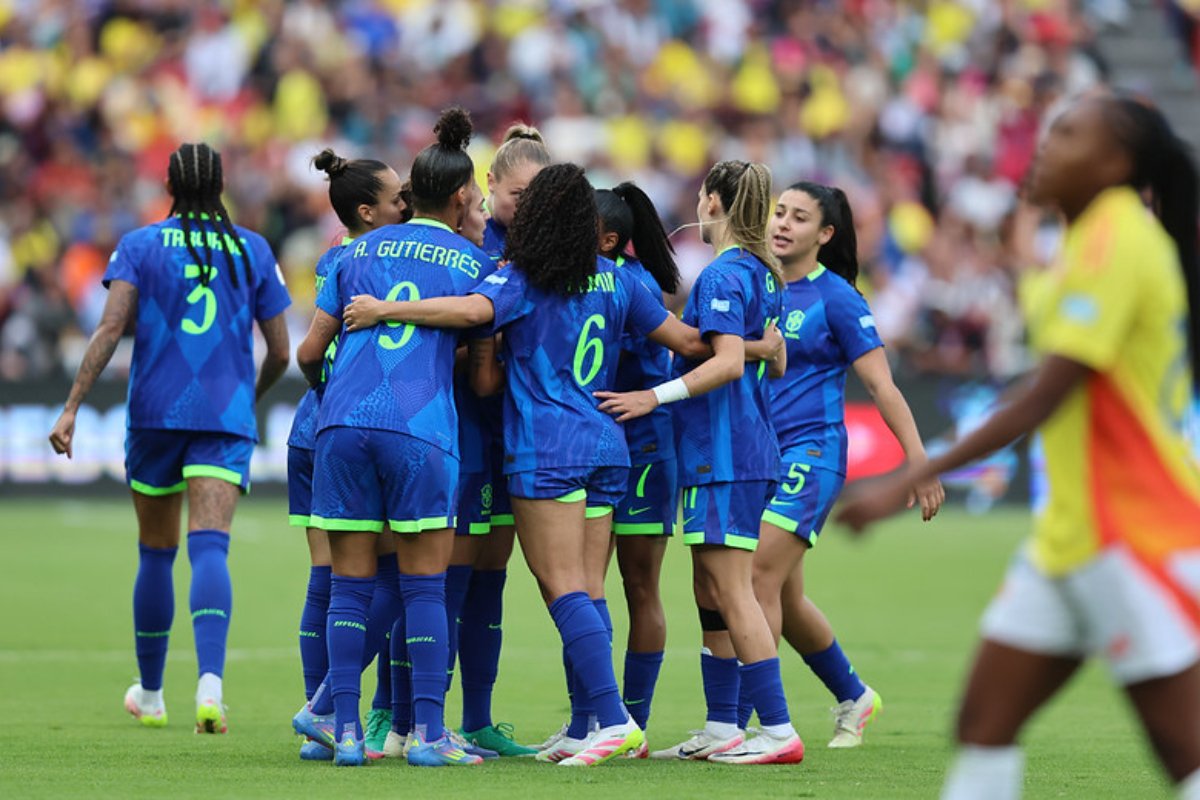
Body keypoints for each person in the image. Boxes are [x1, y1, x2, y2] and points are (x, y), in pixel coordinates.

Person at [837, 95, 1200, 799]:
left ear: (1116, 163)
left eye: (1067, 135)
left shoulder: (1118, 239)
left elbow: (1046, 393)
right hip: (1071, 534)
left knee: (1183, 750)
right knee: (984, 723)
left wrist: (909, 476)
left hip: (1128, 531)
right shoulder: (1085, 240)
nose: (1044, 146)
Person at [343, 162, 713, 765]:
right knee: (589, 589)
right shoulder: (620, 282)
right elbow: (693, 343)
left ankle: (614, 719)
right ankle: (596, 721)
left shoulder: (521, 279)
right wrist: (756, 347)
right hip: (607, 445)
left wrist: (388, 310)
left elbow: (470, 322)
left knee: (559, 584)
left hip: (547, 450)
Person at [48, 142, 292, 735]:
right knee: (211, 546)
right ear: (221, 184)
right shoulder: (251, 249)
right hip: (223, 417)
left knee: (156, 551)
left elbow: (110, 329)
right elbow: (281, 351)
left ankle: (153, 695)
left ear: (169, 185)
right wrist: (245, 401)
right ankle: (211, 687)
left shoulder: (139, 245)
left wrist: (73, 406)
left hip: (155, 414)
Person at [292, 107, 489, 768]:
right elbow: (484, 373)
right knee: (423, 587)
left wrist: (336, 392)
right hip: (421, 429)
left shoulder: (353, 253)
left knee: (348, 586)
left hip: (342, 426)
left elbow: (309, 350)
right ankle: (429, 736)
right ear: (462, 196)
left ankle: (344, 732)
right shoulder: (472, 261)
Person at [595, 160, 804, 765]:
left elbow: (730, 362)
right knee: (709, 587)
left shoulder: (720, 276)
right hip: (737, 447)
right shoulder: (765, 273)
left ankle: (778, 728)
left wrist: (651, 395)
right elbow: (775, 358)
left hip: (725, 452)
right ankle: (722, 725)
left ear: (711, 200)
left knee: (732, 588)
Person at [739, 181, 943, 749]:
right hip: (758, 454)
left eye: (798, 217)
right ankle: (854, 696)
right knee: (783, 596)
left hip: (813, 451)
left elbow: (882, 386)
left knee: (754, 574)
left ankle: (757, 725)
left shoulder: (839, 299)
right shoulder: (756, 286)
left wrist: (918, 463)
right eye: (778, 212)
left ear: (825, 235)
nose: (781, 223)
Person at [287, 148, 408, 762]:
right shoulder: (389, 259)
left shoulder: (338, 254)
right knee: (386, 574)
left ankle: (326, 723)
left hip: (316, 429)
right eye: (396, 198)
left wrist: (322, 394)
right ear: (368, 210)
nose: (406, 203)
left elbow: (310, 352)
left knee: (327, 577)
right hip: (363, 425)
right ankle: (329, 706)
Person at [454, 123, 553, 757]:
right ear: (489, 186)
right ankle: (398, 715)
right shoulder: (470, 245)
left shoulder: (544, 251)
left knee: (492, 574)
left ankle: (479, 719)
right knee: (437, 575)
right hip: (461, 424)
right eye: (518, 193)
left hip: (511, 434)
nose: (527, 205)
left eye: (538, 194)